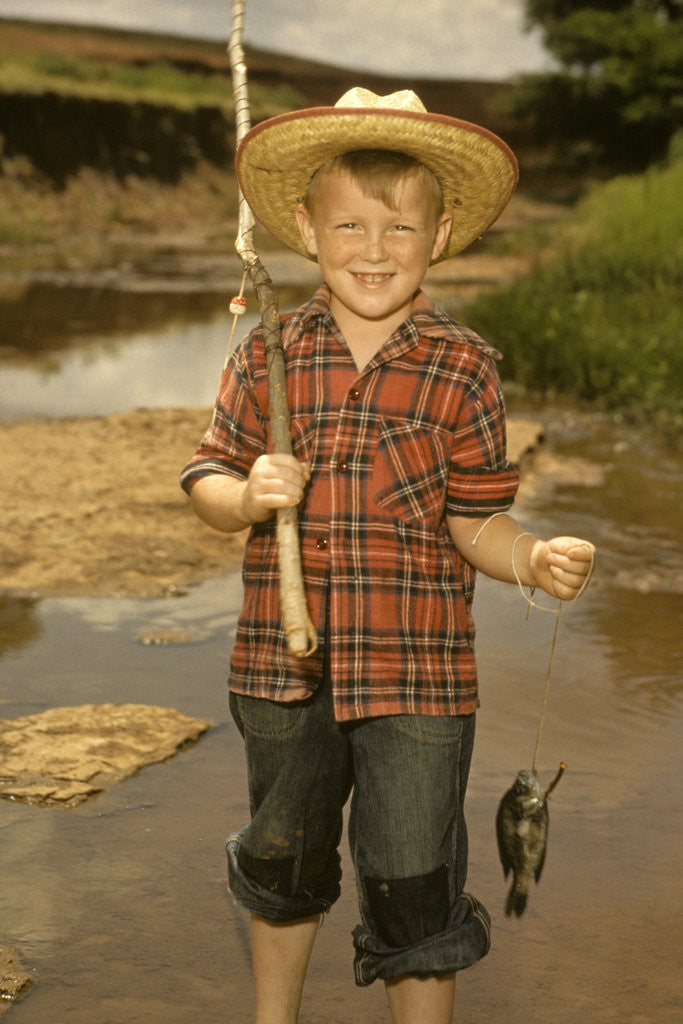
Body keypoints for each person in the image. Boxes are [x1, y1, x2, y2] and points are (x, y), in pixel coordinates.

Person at [180, 88, 595, 1024]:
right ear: (303, 227)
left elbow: (474, 521)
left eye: (399, 228)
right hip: (283, 674)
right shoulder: (267, 354)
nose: (374, 249)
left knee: (414, 884)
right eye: (350, 226)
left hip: (420, 680)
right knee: (282, 859)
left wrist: (532, 559)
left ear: (440, 234)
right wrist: (244, 496)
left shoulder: (465, 366)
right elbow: (203, 478)